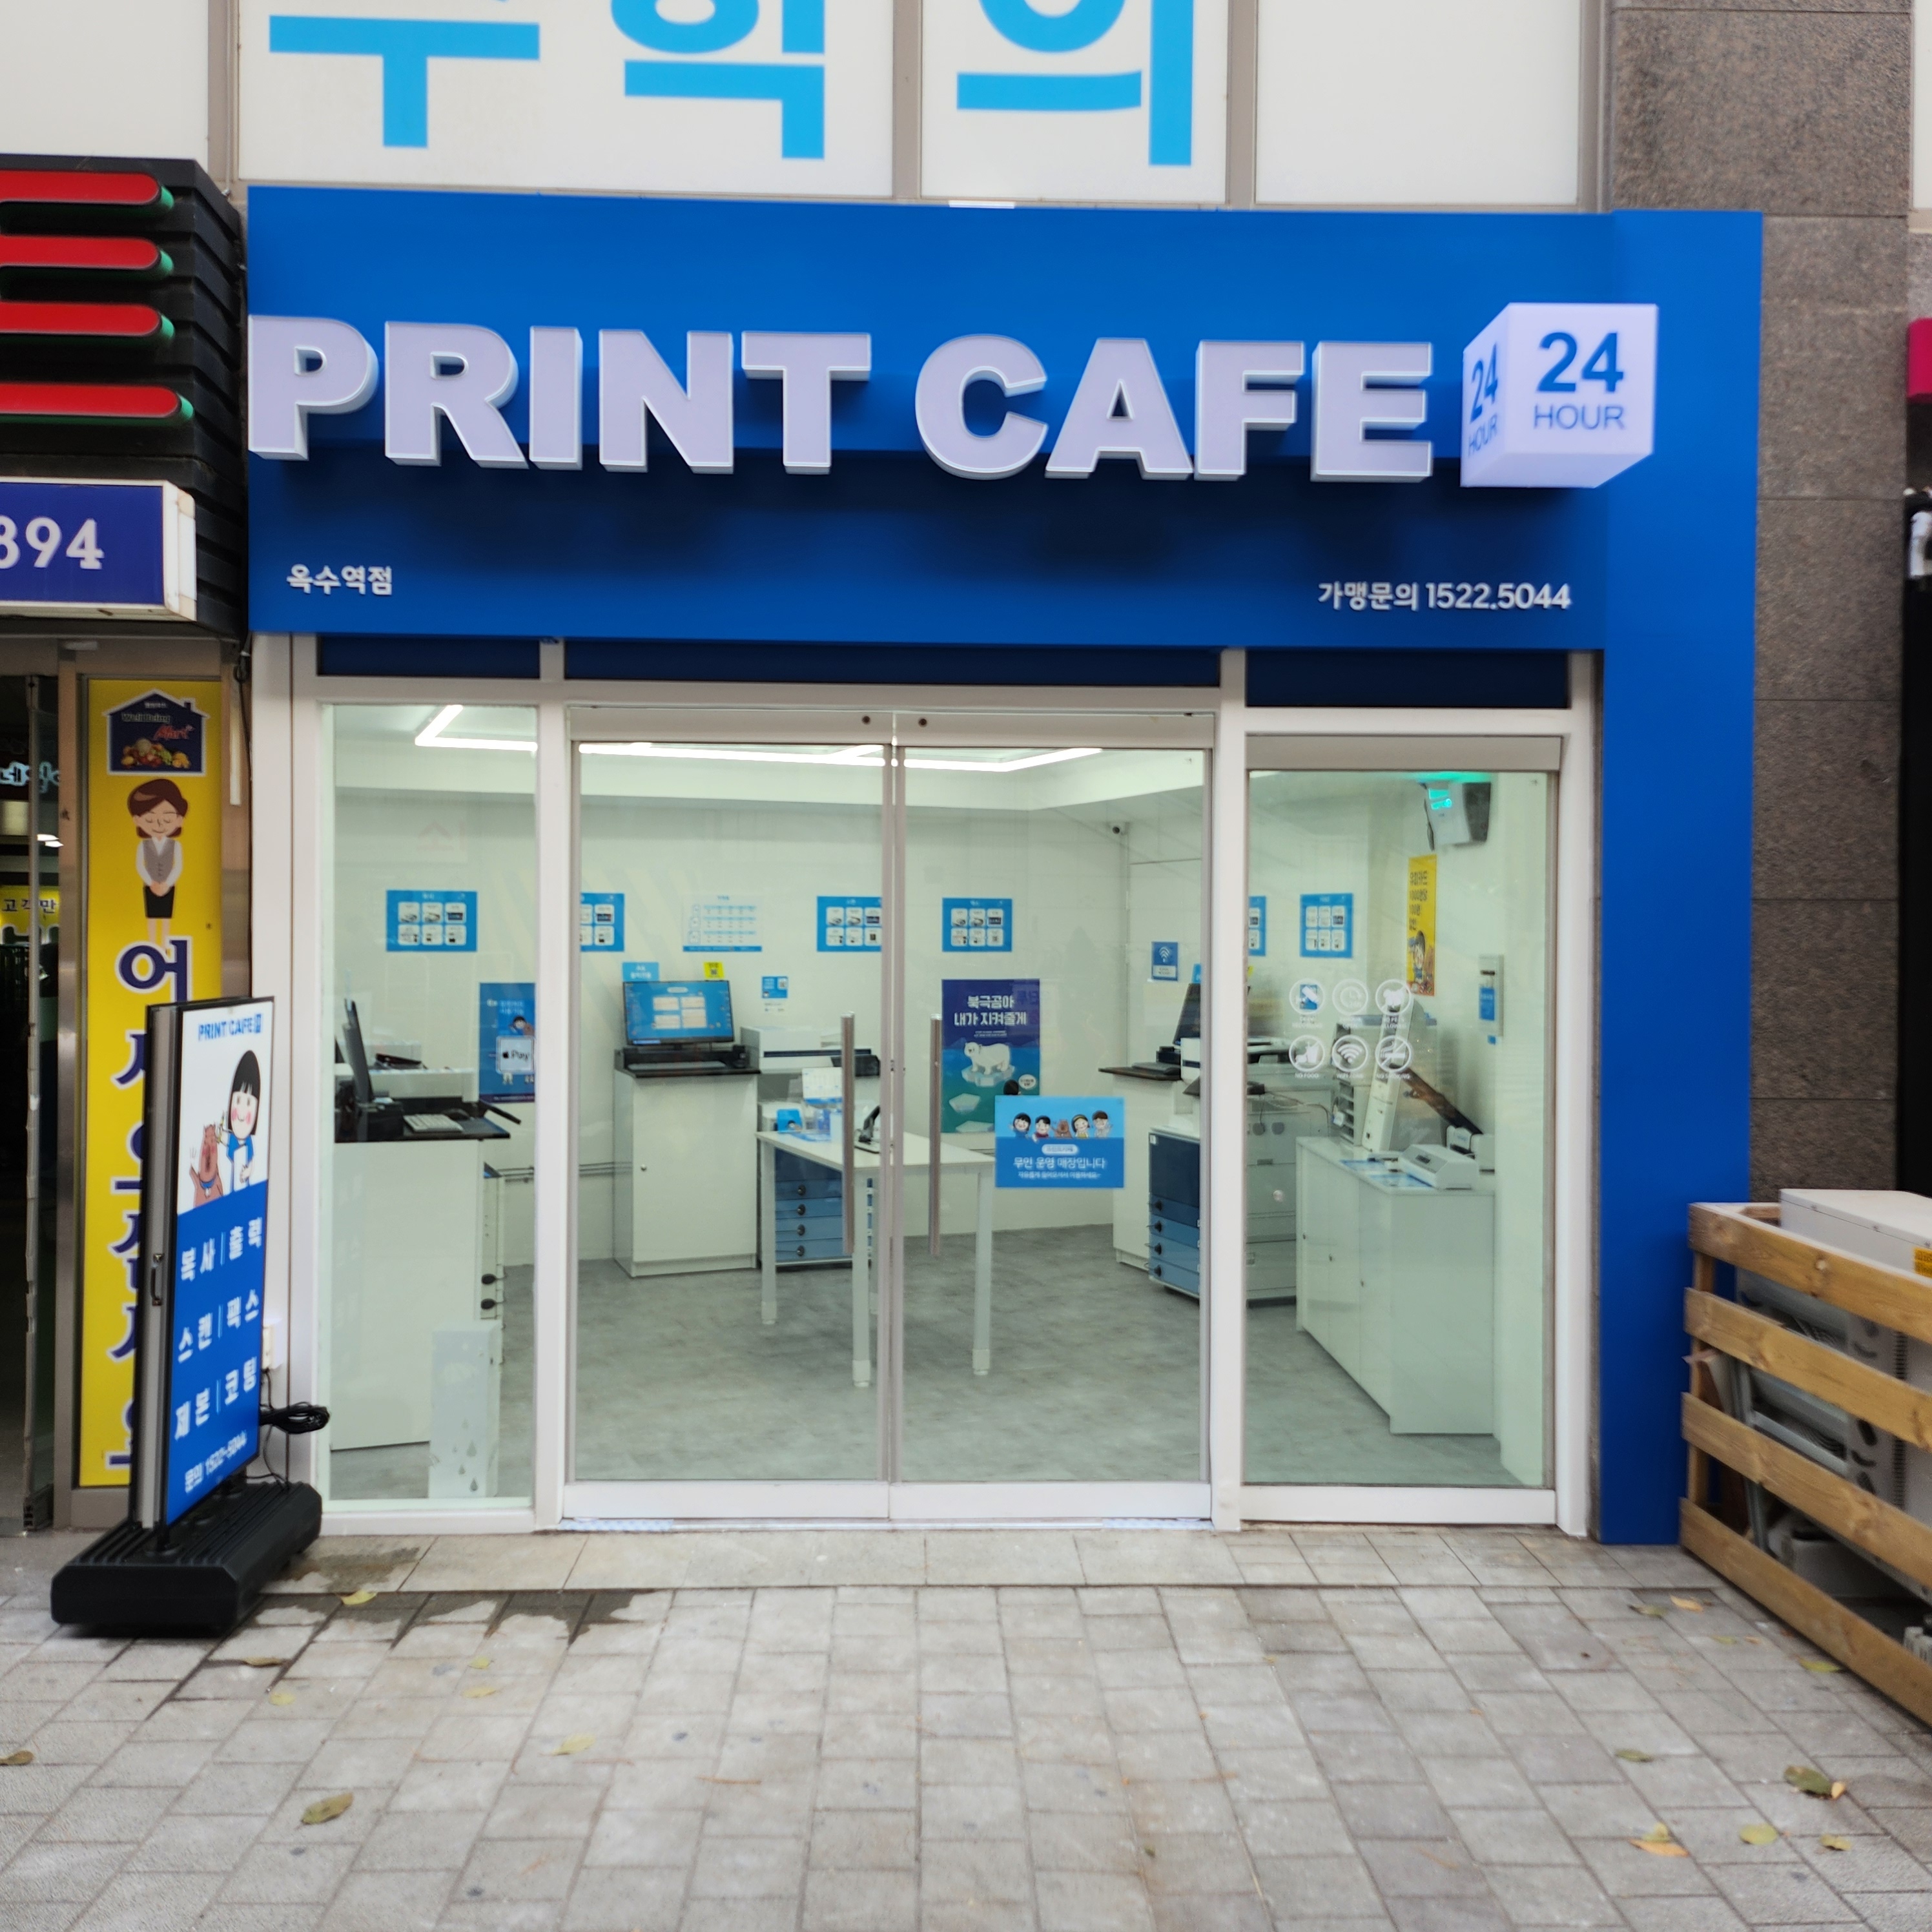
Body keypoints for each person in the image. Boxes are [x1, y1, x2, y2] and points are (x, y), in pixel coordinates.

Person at [127, 777, 189, 943]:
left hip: (169, 885)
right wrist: (151, 883)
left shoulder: (176, 845)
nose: (159, 824)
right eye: (150, 819)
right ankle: (153, 943)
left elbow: (178, 866)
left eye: (167, 819)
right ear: (137, 820)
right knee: (152, 917)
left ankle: (165, 943)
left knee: (167, 917)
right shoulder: (143, 845)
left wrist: (167, 884)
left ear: (179, 820)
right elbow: (140, 866)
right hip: (150, 886)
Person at [223, 1051, 262, 1191]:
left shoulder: (249, 1142)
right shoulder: (231, 1138)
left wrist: (248, 1171)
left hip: (245, 1188)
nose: (242, 1112)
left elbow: (252, 1162)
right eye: (238, 1100)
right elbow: (224, 1141)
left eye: (249, 1103)